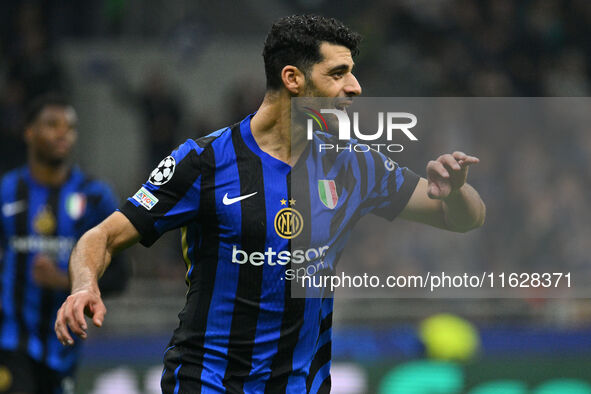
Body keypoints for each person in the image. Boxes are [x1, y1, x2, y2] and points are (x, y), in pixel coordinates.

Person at [55, 15, 486, 393]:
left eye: (352, 73)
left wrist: (457, 191)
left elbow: (462, 219)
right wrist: (83, 284)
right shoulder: (203, 161)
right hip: (207, 382)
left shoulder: (355, 164)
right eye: (338, 74)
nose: (355, 87)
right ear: (293, 78)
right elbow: (103, 236)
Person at [0, 94, 129, 394]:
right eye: (52, 124)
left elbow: (120, 276)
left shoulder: (95, 197)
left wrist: (62, 279)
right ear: (29, 132)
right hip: (10, 343)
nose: (62, 133)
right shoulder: (7, 191)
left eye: (69, 127)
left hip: (63, 350)